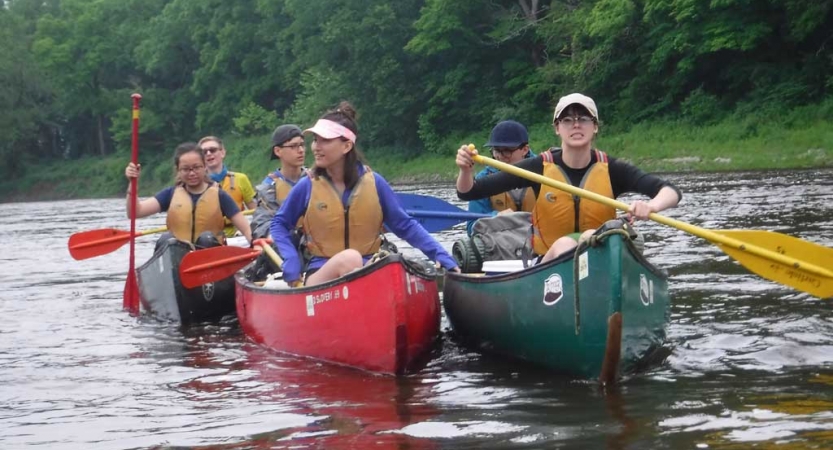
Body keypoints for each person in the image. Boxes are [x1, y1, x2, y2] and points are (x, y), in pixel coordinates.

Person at [455, 93, 681, 263]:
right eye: (567, 120)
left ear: (595, 127)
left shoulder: (612, 169)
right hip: (546, 264)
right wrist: (466, 170)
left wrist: (651, 206)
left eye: (583, 118)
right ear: (557, 128)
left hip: (598, 259)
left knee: (595, 236)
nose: (575, 124)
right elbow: (468, 192)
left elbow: (671, 191)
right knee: (566, 244)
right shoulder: (537, 168)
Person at [270, 101, 459, 287]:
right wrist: (291, 257)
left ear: (346, 146)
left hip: (370, 267)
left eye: (325, 140)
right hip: (322, 274)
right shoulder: (307, 186)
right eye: (316, 140)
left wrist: (440, 254)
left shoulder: (375, 183)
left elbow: (405, 225)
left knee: (396, 264)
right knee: (350, 259)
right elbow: (279, 224)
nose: (315, 147)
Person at [124, 142, 252, 250]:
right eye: (186, 169)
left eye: (196, 168)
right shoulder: (170, 194)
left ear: (205, 167)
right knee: (166, 239)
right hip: (179, 260)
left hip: (210, 259)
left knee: (206, 238)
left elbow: (246, 229)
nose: (192, 173)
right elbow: (134, 213)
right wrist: (133, 183)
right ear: (178, 170)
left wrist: (255, 244)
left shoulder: (220, 196)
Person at [465, 120, 536, 236]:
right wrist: (496, 218)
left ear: (525, 149)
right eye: (496, 150)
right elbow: (471, 227)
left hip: (539, 242)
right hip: (501, 245)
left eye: (507, 151)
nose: (500, 157)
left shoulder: (544, 171)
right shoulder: (483, 179)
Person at [250, 124, 308, 240]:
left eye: (302, 145)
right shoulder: (268, 187)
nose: (301, 150)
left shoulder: (316, 178)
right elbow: (262, 223)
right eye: (293, 146)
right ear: (278, 151)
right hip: (289, 243)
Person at [198, 136, 257, 237]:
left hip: (238, 236)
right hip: (210, 238)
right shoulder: (196, 186)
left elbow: (256, 211)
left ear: (222, 153)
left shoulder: (241, 179)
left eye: (212, 150)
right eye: (204, 152)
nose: (208, 154)